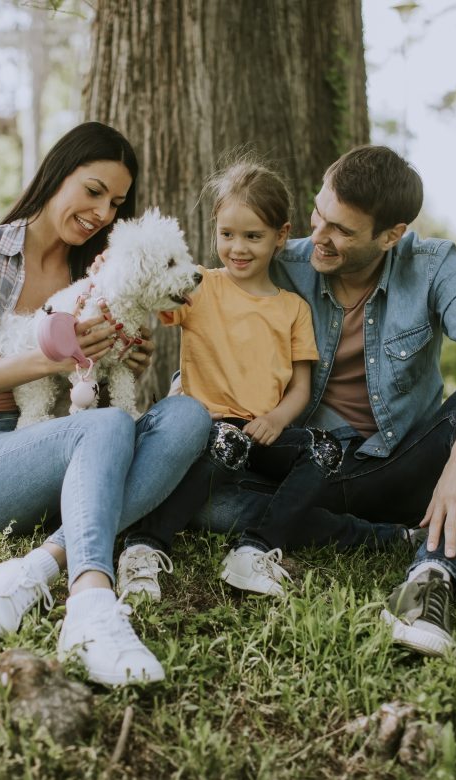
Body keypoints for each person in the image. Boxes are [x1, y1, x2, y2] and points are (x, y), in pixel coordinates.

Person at [195, 145, 456, 657]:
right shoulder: (283, 262)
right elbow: (207, 314)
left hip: (401, 469)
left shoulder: (430, 265)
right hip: (306, 470)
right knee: (205, 501)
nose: (319, 236)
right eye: (319, 213)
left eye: (341, 230)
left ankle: (433, 575)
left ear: (391, 235)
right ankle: (383, 536)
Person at [0, 122, 212, 686]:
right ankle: (91, 607)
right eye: (93, 190)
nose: (101, 212)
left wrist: (131, 358)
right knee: (104, 428)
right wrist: (55, 356)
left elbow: (110, 386)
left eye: (116, 202)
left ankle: (38, 566)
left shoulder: (101, 271)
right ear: (57, 173)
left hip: (79, 440)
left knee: (189, 417)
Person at [114, 159, 346, 600]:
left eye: (253, 236)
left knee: (326, 448)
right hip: (206, 430)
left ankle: (253, 551)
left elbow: (301, 387)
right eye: (227, 235)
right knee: (227, 440)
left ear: (281, 235)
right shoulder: (199, 285)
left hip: (263, 432)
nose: (237, 248)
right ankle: (143, 546)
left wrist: (278, 420)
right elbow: (146, 299)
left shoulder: (293, 309)